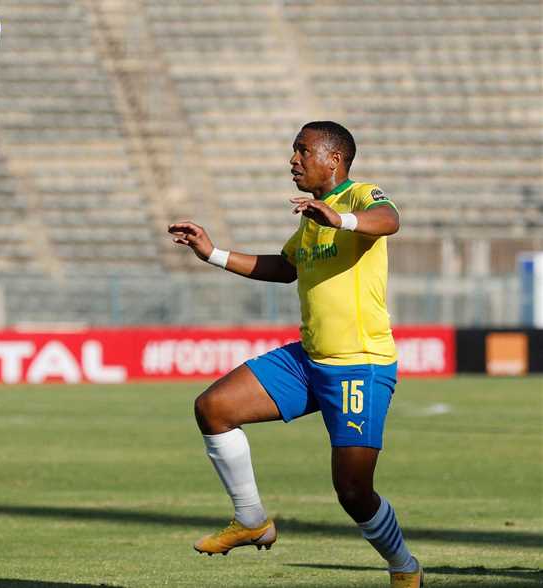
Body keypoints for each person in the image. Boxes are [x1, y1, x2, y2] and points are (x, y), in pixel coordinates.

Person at [169, 121, 423, 588]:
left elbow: (390, 220)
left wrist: (340, 220)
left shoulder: (359, 196)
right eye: (294, 151)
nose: (293, 160)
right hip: (308, 360)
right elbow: (286, 267)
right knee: (214, 407)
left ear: (334, 159)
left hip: (359, 365)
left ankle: (404, 567)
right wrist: (213, 253)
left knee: (353, 492)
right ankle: (251, 520)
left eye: (303, 150)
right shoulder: (311, 217)